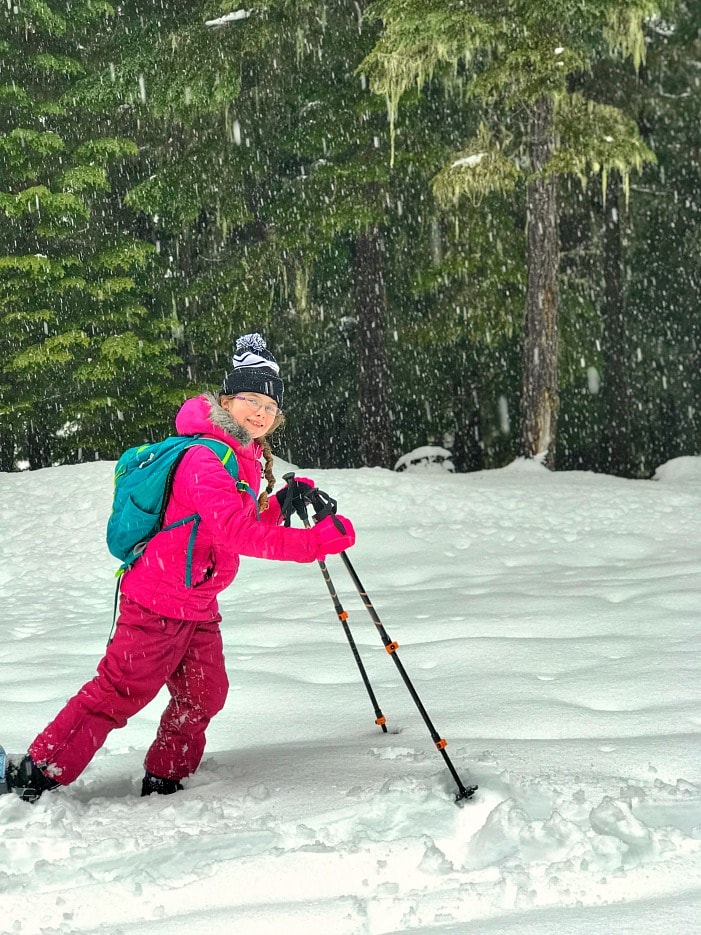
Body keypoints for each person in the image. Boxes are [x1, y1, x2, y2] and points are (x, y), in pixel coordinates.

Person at [4, 333, 355, 802]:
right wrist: (313, 542)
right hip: (157, 600)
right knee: (118, 692)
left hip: (196, 601)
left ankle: (166, 776)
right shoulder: (204, 458)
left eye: (270, 407)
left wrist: (281, 505)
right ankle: (37, 772)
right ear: (227, 400)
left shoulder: (240, 456)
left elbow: (225, 524)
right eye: (251, 400)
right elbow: (234, 533)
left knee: (205, 693)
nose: (260, 413)